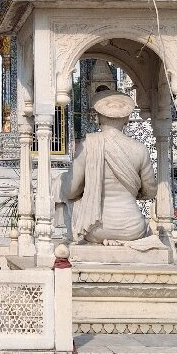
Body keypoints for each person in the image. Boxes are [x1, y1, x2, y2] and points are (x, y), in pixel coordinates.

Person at [66, 91, 157, 244]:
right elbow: (150, 192)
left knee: (60, 188)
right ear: (126, 119)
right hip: (133, 229)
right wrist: (132, 191)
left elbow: (70, 191)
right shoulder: (140, 149)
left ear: (98, 117)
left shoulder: (88, 145)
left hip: (96, 228)